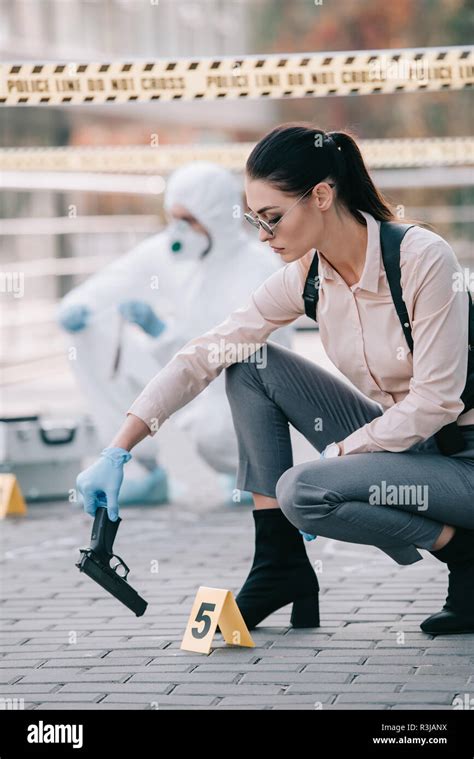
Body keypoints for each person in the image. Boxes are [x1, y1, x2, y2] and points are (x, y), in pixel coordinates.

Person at [76, 123, 474, 636]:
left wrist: (339, 457)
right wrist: (118, 450)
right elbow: (205, 354)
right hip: (411, 449)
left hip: (462, 457)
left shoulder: (421, 258)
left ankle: (465, 552)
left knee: (304, 490)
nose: (263, 237)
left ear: (322, 196)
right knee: (248, 362)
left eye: (272, 219)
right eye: (253, 220)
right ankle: (279, 563)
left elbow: (436, 402)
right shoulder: (307, 275)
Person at [58, 161, 291, 506]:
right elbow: (110, 284)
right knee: (89, 331)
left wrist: (163, 332)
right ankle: (138, 468)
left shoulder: (256, 267)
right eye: (174, 218)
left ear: (215, 219)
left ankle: (250, 470)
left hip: (230, 390)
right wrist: (75, 307)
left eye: (190, 220)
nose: (179, 230)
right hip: (178, 377)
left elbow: (236, 355)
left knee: (214, 432)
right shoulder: (165, 252)